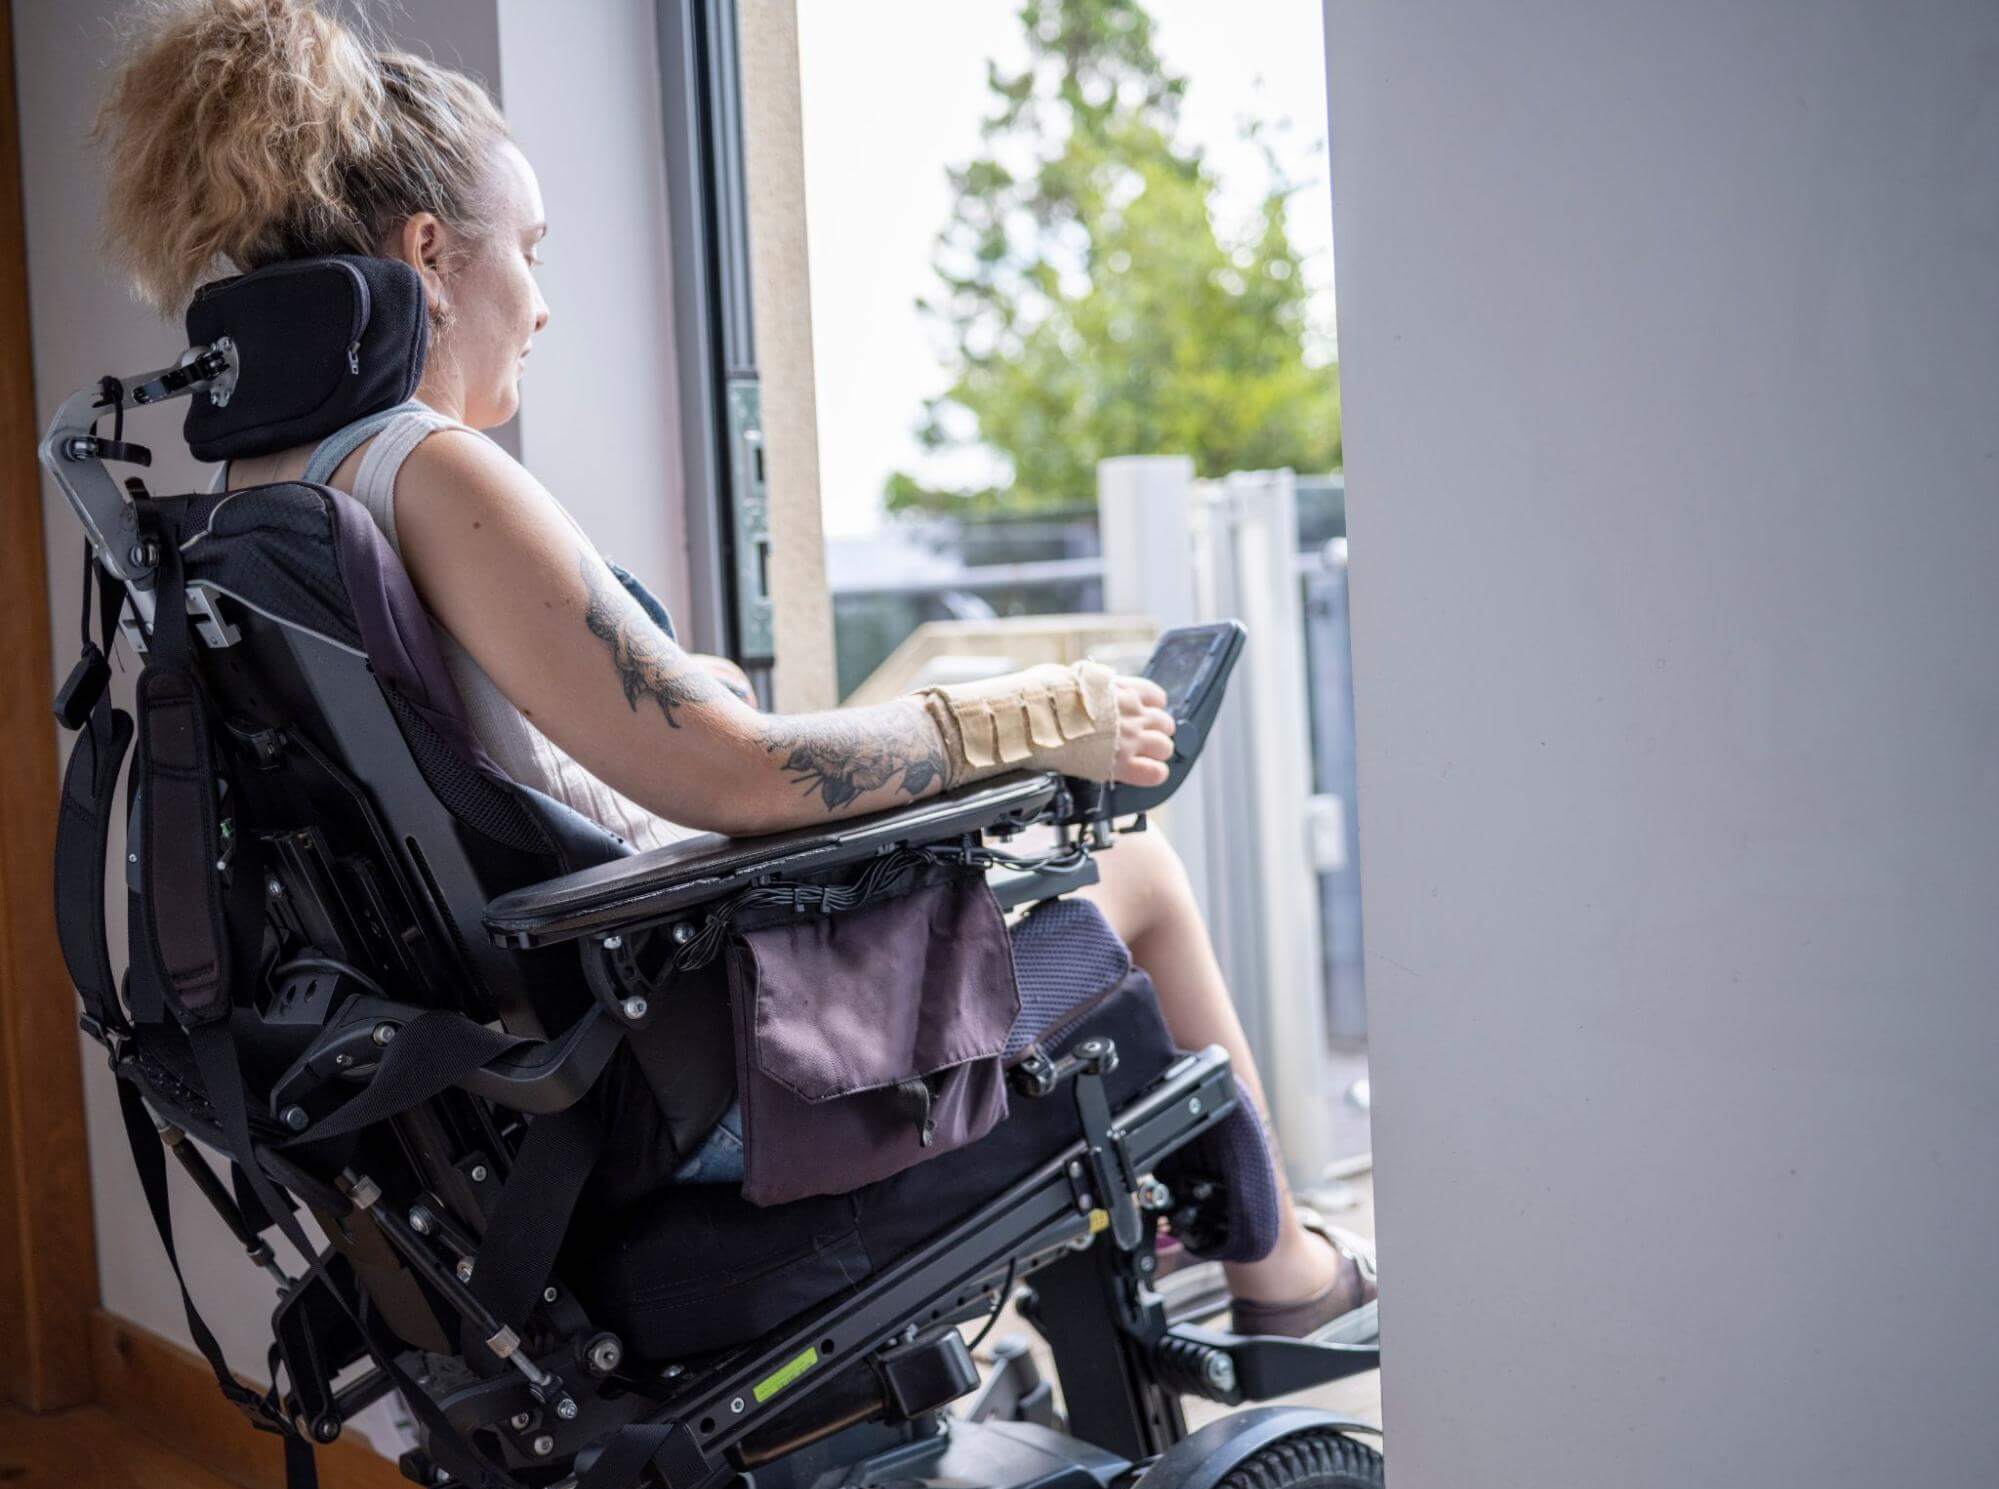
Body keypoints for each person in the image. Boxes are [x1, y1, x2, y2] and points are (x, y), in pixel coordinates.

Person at [96, 0, 1374, 1340]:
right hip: (685, 1081)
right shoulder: (430, 469)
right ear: (428, 255)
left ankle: (1224, 1277)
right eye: (527, 251)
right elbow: (738, 776)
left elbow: (489, 756)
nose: (542, 302)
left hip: (501, 1096)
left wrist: (677, 690)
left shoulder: (267, 499)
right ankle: (1281, 1281)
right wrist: (1042, 717)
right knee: (1141, 875)